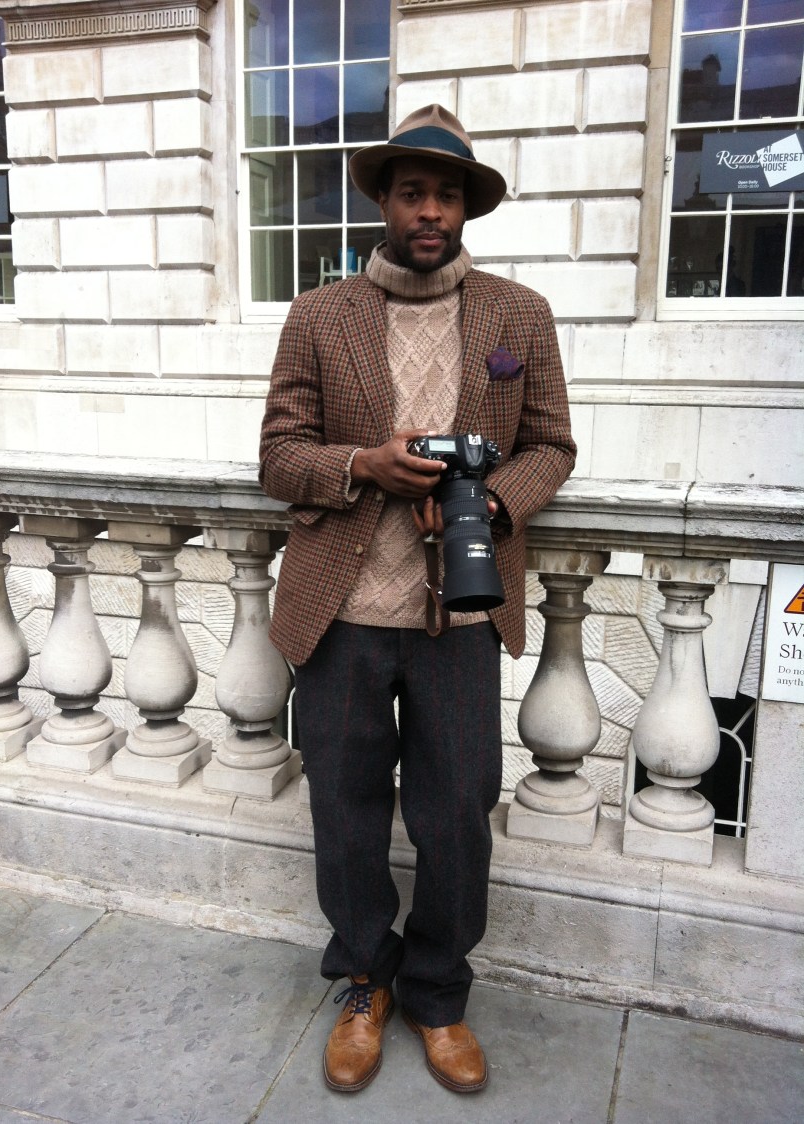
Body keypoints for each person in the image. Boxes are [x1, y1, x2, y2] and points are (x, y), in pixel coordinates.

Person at [259, 104, 576, 1095]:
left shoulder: (519, 315)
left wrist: (491, 500)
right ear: (384, 203)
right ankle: (366, 978)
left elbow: (552, 445)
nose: (429, 210)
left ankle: (438, 990)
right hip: (343, 610)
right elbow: (278, 456)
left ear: (465, 206)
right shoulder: (320, 315)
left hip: (463, 611)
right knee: (345, 809)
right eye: (411, 192)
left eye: (445, 194)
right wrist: (363, 464)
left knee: (458, 812)